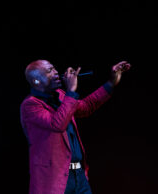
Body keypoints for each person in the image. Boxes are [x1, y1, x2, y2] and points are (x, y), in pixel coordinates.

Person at [20, 59, 131, 194]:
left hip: (78, 175)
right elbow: (57, 124)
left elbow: (86, 107)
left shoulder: (61, 95)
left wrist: (111, 83)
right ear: (36, 81)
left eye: (54, 68)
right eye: (49, 71)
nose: (56, 73)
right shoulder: (31, 105)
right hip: (54, 179)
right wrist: (71, 91)